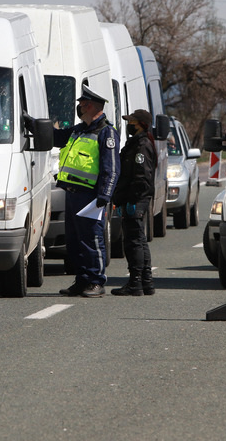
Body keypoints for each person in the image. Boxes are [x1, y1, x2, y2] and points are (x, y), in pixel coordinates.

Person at [54, 87, 120, 298]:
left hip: (91, 196)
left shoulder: (106, 132)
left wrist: (105, 195)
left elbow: (111, 167)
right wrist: (33, 124)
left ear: (91, 106)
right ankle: (81, 280)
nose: (79, 108)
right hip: (72, 193)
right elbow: (55, 138)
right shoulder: (79, 130)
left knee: (92, 239)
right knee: (74, 241)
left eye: (82, 104)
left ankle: (96, 282)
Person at [111, 109, 157, 296]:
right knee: (139, 240)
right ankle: (146, 282)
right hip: (134, 198)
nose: (129, 125)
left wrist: (131, 199)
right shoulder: (136, 143)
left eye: (132, 122)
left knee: (133, 242)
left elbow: (141, 177)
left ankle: (135, 282)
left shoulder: (142, 146)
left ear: (141, 124)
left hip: (135, 199)